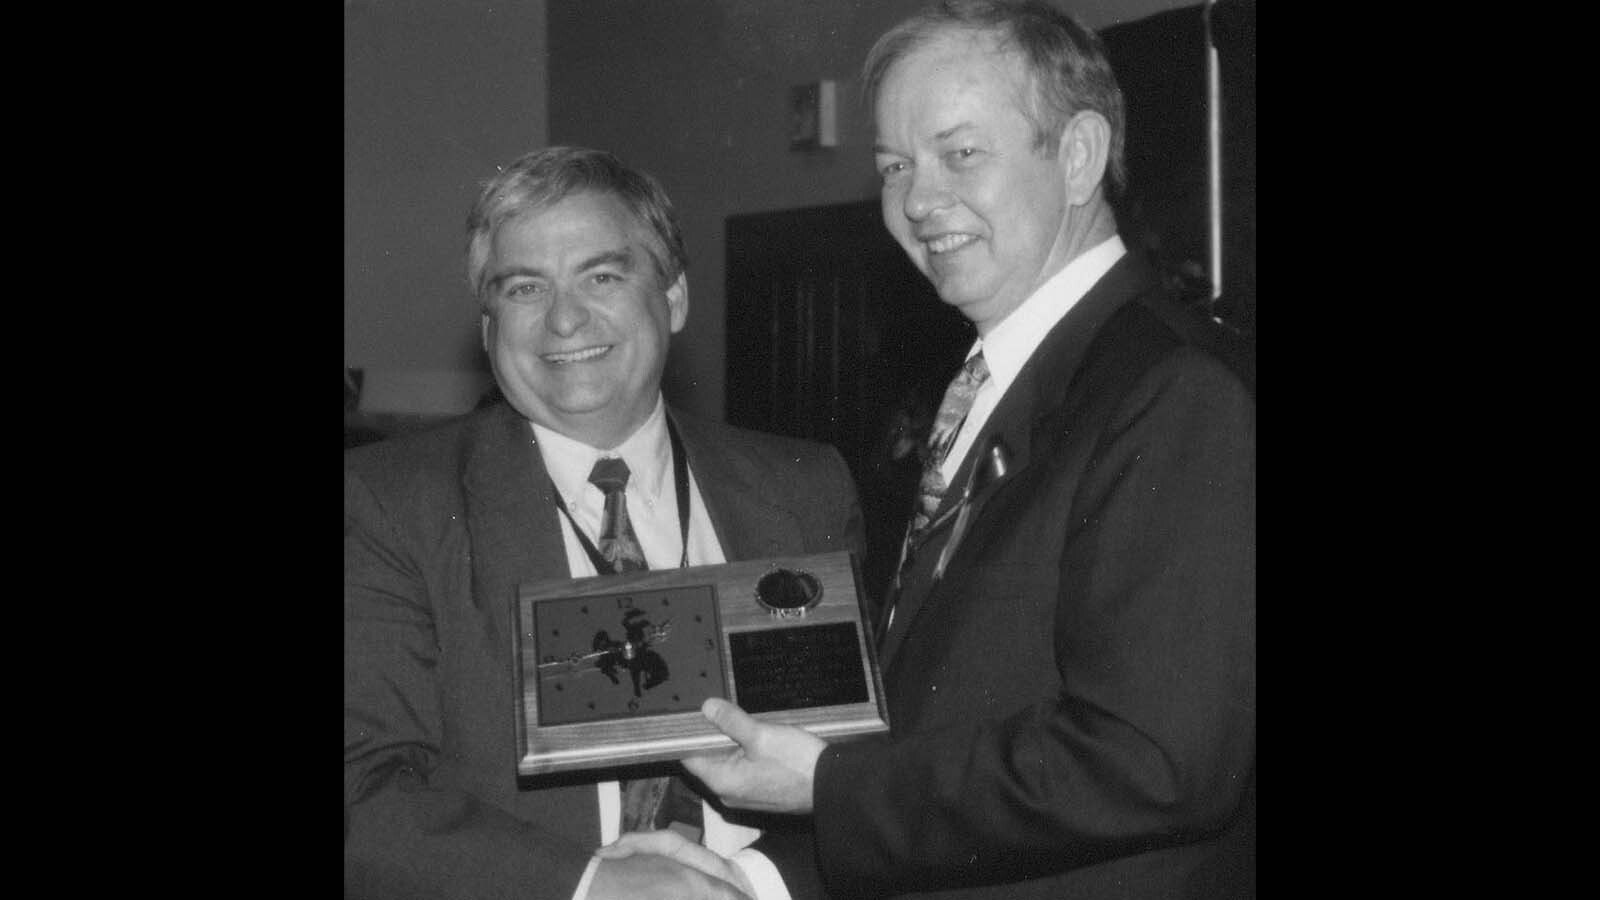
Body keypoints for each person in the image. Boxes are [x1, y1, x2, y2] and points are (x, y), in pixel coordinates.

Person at [603, 2, 1255, 897]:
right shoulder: (1001, 385)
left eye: (961, 155)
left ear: (1078, 157)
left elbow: (1149, 760)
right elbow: (945, 722)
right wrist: (746, 880)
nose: (916, 202)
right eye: (896, 167)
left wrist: (831, 787)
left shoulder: (1176, 393)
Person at [345, 146, 866, 899]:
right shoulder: (391, 507)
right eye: (524, 287)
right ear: (488, 326)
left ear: (675, 298)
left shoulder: (805, 488)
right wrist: (593, 886)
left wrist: (747, 881)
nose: (564, 318)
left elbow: (865, 774)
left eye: (602, 275)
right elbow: (361, 792)